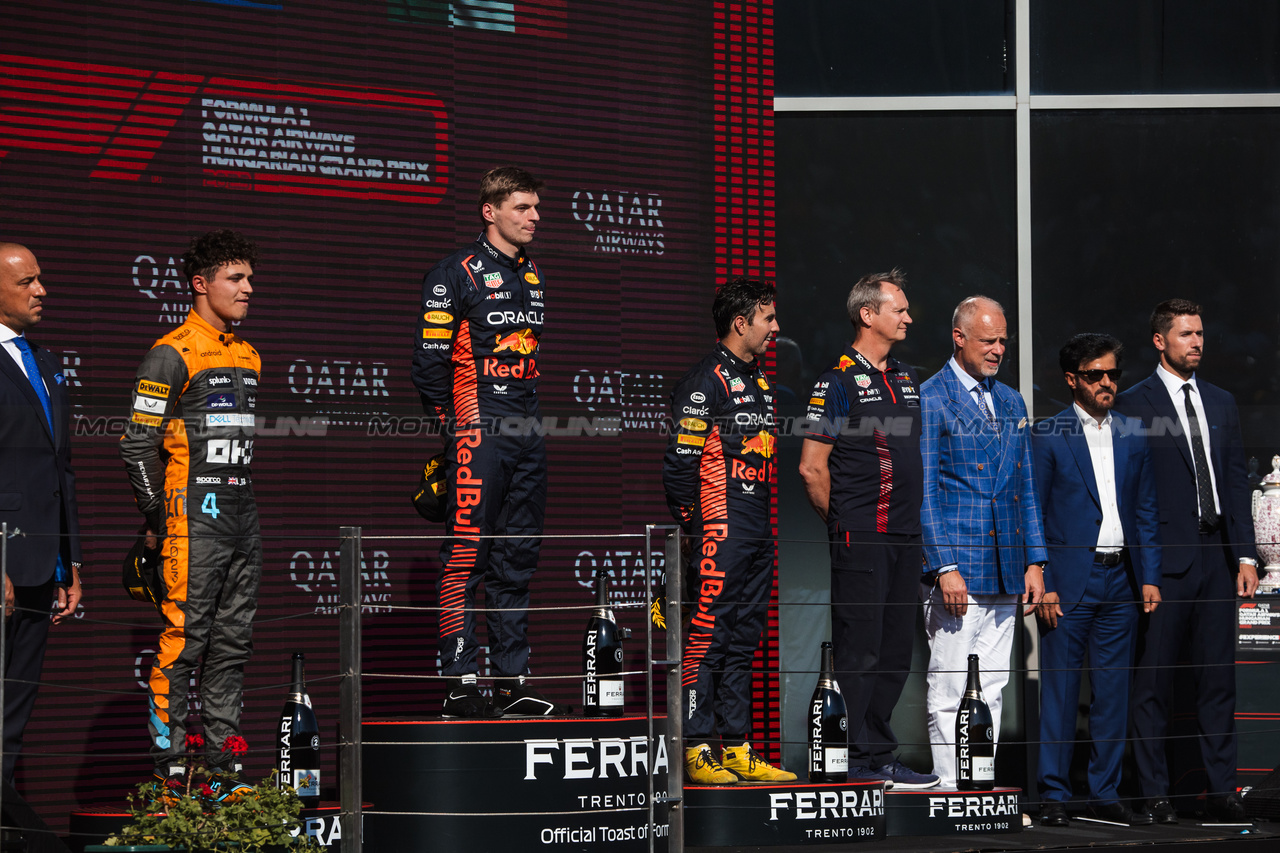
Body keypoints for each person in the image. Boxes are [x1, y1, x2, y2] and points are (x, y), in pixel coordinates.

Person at [411, 167, 561, 718]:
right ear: (490, 211)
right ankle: (458, 677)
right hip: (479, 430)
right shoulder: (455, 273)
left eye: (536, 207)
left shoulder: (534, 273)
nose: (534, 217)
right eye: (522, 207)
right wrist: (455, 435)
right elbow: (428, 367)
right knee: (467, 556)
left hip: (527, 430)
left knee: (517, 559)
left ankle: (512, 681)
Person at [119, 229, 262, 802]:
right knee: (183, 643)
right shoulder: (171, 351)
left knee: (232, 646)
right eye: (236, 278)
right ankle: (170, 771)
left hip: (241, 515)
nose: (249, 289)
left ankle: (223, 773)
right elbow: (136, 445)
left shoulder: (248, 353)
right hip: (190, 522)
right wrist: (157, 520)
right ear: (201, 285)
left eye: (250, 277)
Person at [1117, 299, 1258, 824]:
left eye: (1200, 333)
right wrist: (1145, 567)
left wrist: (1245, 552)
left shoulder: (1221, 401)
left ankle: (1221, 789)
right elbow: (1128, 493)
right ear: (1160, 341)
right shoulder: (1133, 404)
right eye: (1185, 334)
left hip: (1218, 557)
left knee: (1218, 681)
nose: (1197, 342)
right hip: (1163, 563)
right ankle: (1153, 791)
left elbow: (1236, 482)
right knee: (1152, 682)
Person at [798, 270, 938, 789]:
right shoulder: (833, 381)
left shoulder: (906, 376)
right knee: (861, 650)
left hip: (906, 537)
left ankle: (877, 754)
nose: (907, 316)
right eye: (898, 308)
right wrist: (843, 524)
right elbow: (812, 467)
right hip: (862, 533)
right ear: (868, 315)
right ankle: (847, 758)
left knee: (897, 650)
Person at [663, 277, 795, 784]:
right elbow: (679, 464)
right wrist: (696, 525)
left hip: (758, 525)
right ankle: (696, 747)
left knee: (743, 638)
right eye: (769, 319)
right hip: (720, 525)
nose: (776, 328)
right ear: (741, 323)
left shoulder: (758, 378)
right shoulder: (704, 381)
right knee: (707, 638)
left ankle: (736, 747)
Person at [1031, 333, 1161, 827]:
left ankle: (1105, 791)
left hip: (1122, 581)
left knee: (1112, 695)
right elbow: (1034, 512)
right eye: (1095, 375)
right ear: (1072, 379)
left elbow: (1145, 509)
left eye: (1112, 374)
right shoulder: (1048, 433)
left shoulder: (1133, 431)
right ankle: (1054, 793)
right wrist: (1041, 577)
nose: (1107, 383)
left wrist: (1149, 575)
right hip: (1067, 584)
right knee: (1061, 694)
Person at [918, 295, 1046, 788]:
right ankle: (951, 786)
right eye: (989, 340)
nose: (997, 350)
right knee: (950, 682)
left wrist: (1036, 560)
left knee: (992, 685)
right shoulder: (931, 396)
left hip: (1007, 564)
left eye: (1002, 342)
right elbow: (926, 492)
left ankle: (980, 783)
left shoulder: (1012, 400)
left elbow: (1025, 488)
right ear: (959, 337)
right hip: (958, 567)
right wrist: (944, 565)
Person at [0, 243, 83, 784]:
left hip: (39, 564)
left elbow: (61, 469)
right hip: (3, 560)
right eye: (27, 281)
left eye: (40, 279)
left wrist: (68, 560)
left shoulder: (44, 359)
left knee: (12, 715)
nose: (41, 291)